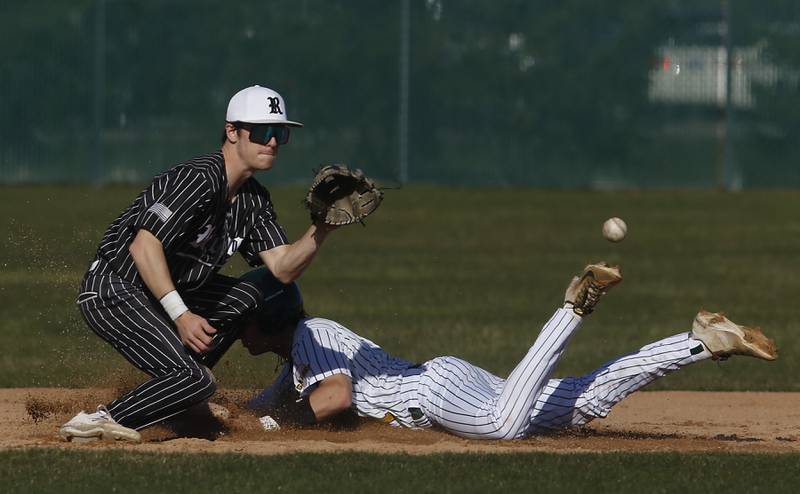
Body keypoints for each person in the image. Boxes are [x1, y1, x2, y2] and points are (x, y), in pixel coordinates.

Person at [60, 85, 338, 443]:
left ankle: (183, 397)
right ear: (232, 132)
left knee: (252, 294)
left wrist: (322, 229)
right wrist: (181, 315)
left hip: (161, 294)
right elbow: (143, 247)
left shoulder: (253, 201)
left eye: (280, 133)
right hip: (114, 288)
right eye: (263, 131)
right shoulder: (200, 177)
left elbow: (283, 268)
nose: (272, 142)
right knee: (197, 380)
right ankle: (99, 419)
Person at [241, 263, 777, 440]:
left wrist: (277, 427)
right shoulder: (304, 349)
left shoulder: (311, 340)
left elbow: (333, 399)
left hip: (432, 395)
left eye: (244, 316)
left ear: (267, 321)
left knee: (503, 427)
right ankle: (701, 341)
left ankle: (572, 309)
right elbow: (276, 398)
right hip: (444, 380)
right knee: (584, 403)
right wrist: (236, 416)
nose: (237, 327)